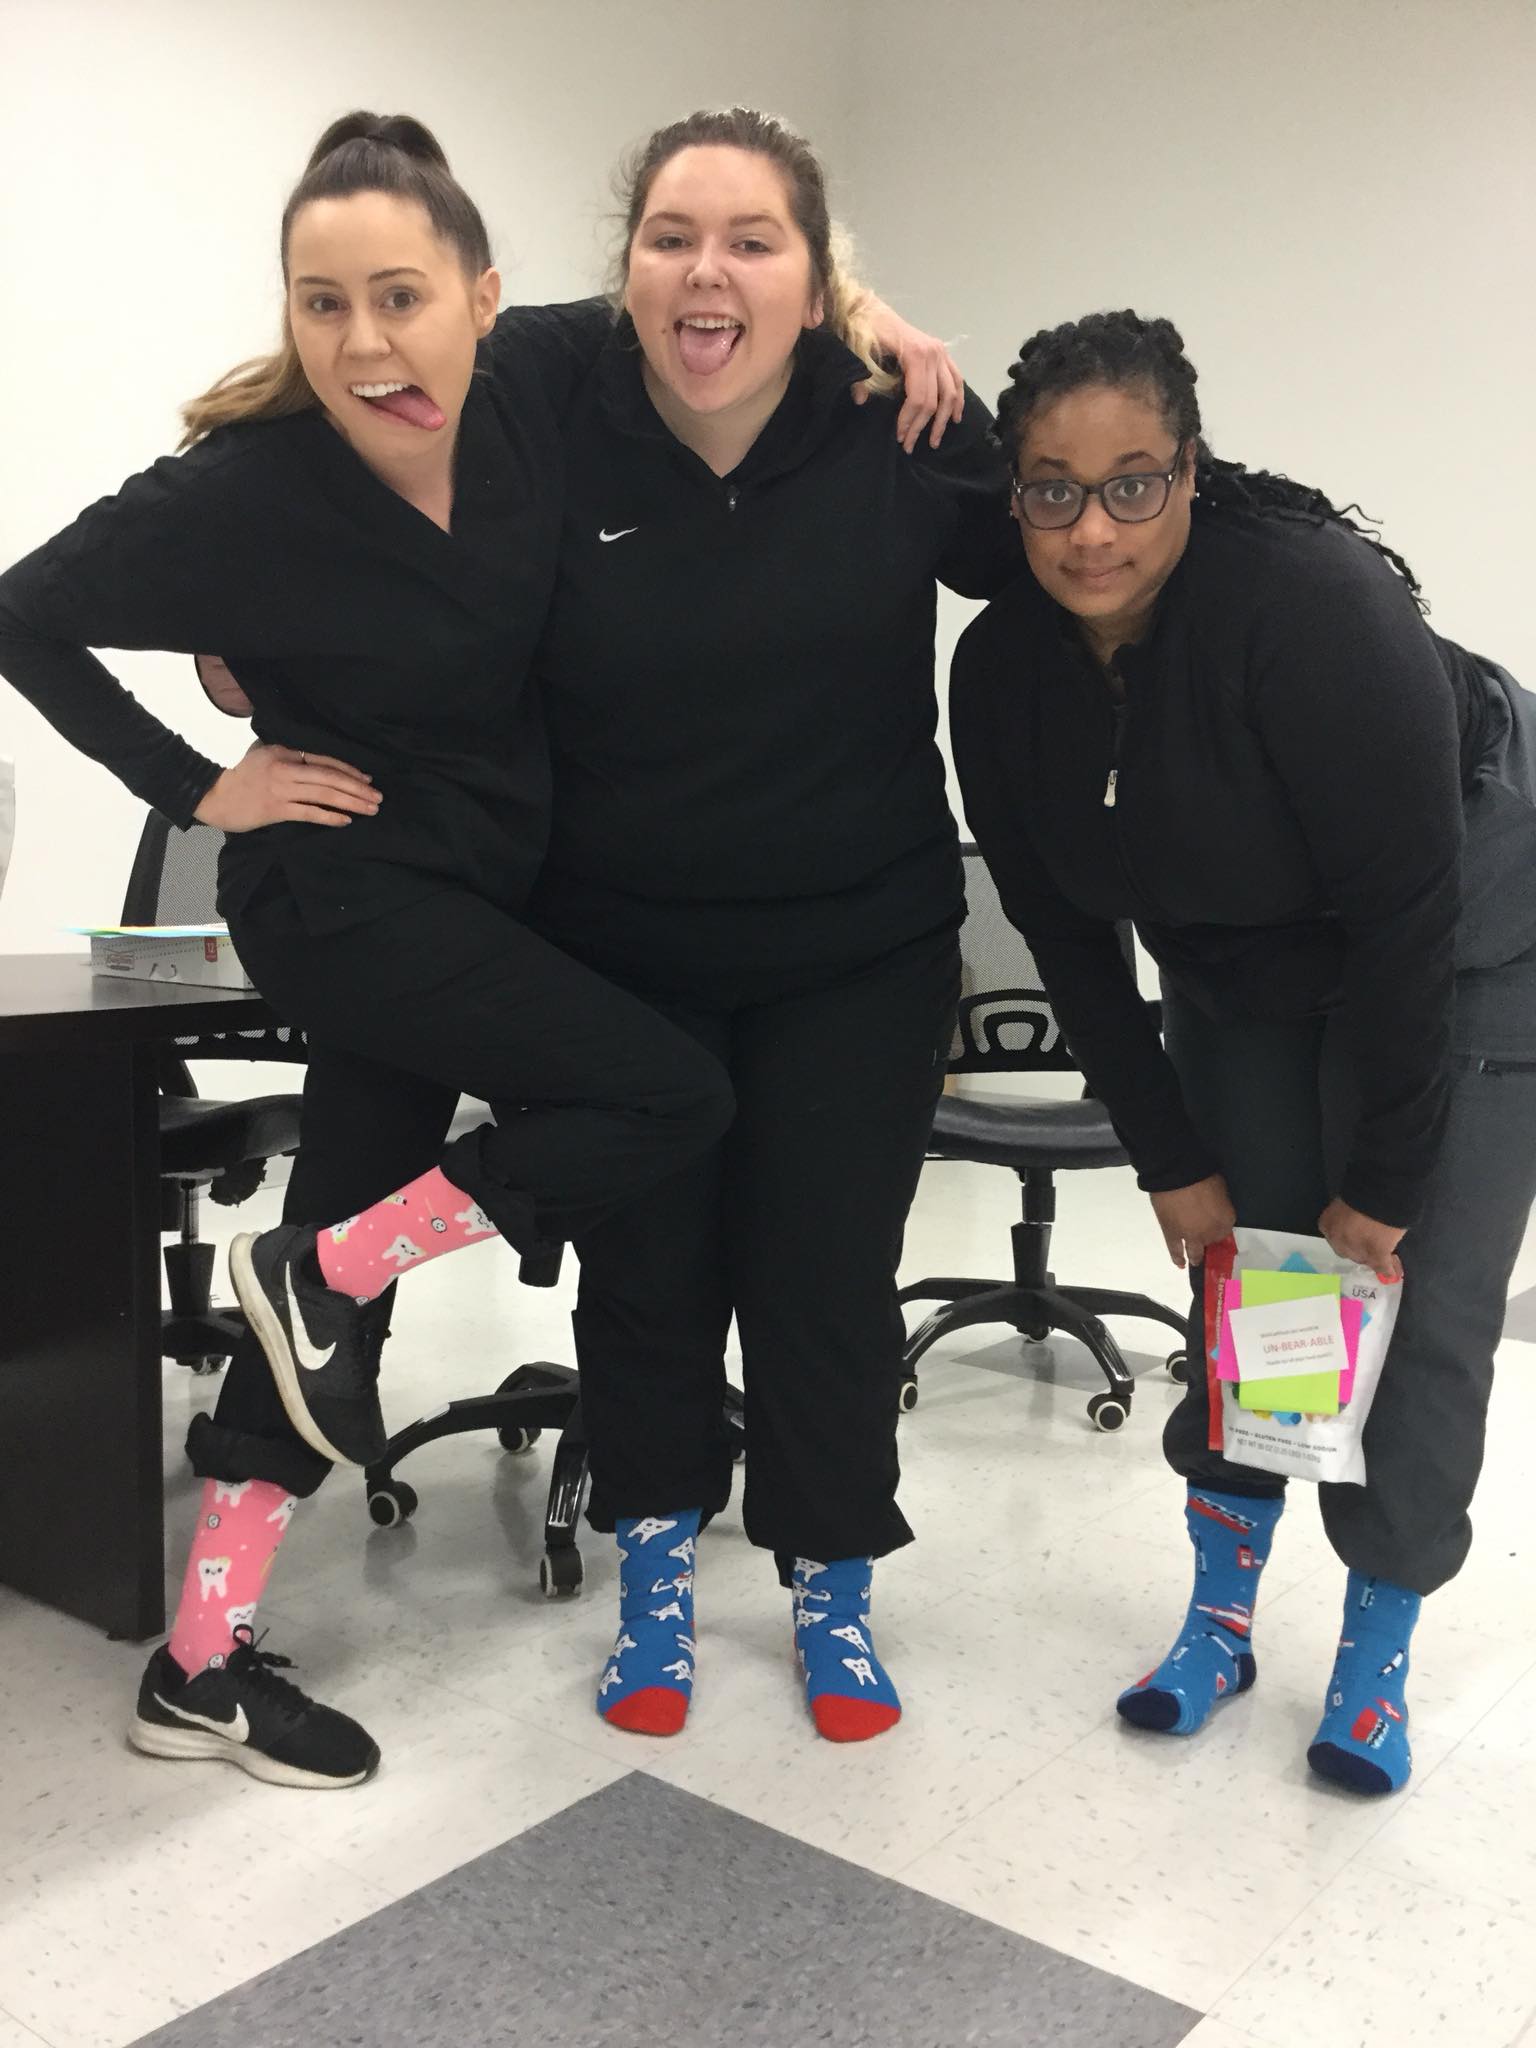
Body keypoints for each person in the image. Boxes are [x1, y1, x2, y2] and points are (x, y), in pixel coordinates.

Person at [0, 113, 742, 1788]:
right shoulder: (250, 488)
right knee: (666, 1096)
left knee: (334, 1267)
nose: (361, 341)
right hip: (347, 902)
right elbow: (21, 611)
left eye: (398, 296)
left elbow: (700, 294)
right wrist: (199, 784)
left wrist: (869, 312)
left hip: (476, 896)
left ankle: (201, 1665)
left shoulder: (534, 387)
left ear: (481, 297)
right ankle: (317, 1272)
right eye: (319, 302)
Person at [950, 309, 1536, 1795]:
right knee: (1258, 1278)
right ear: (1013, 492)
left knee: (1415, 1304)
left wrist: (1383, 1185)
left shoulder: (1313, 609)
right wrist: (1172, 1160)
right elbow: (1067, 934)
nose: (1092, 529)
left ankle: (1375, 1653)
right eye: (1053, 489)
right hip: (1243, 951)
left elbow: (1405, 922)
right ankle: (1220, 1618)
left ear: (1192, 472)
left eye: (1133, 483)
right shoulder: (1005, 670)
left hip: (1470, 935)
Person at [523, 108, 1020, 1744]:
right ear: (626, 268)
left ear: (819, 280)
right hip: (618, 954)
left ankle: (832, 1581)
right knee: (646, 1275)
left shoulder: (901, 423)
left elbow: (1076, 550)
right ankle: (657, 1574)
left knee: (825, 1280)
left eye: (754, 242)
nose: (706, 273)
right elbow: (386, 397)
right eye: (671, 237)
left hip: (856, 951)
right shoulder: (559, 400)